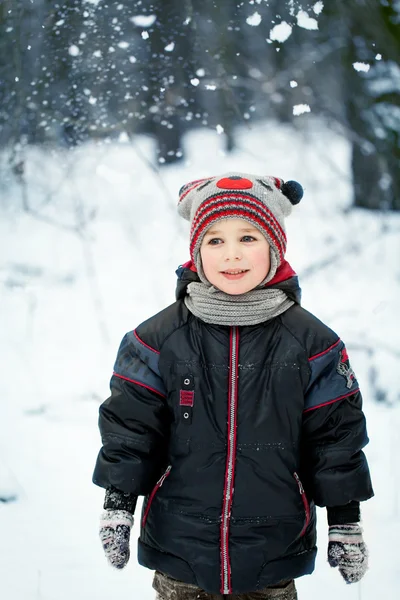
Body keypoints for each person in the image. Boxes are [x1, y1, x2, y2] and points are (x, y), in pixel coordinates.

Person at [92, 173, 374, 600]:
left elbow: (335, 439)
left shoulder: (313, 344)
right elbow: (131, 431)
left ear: (274, 247)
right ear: (197, 252)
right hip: (179, 544)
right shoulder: (156, 340)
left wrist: (345, 520)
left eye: (248, 238)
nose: (232, 255)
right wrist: (118, 504)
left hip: (273, 547)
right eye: (215, 241)